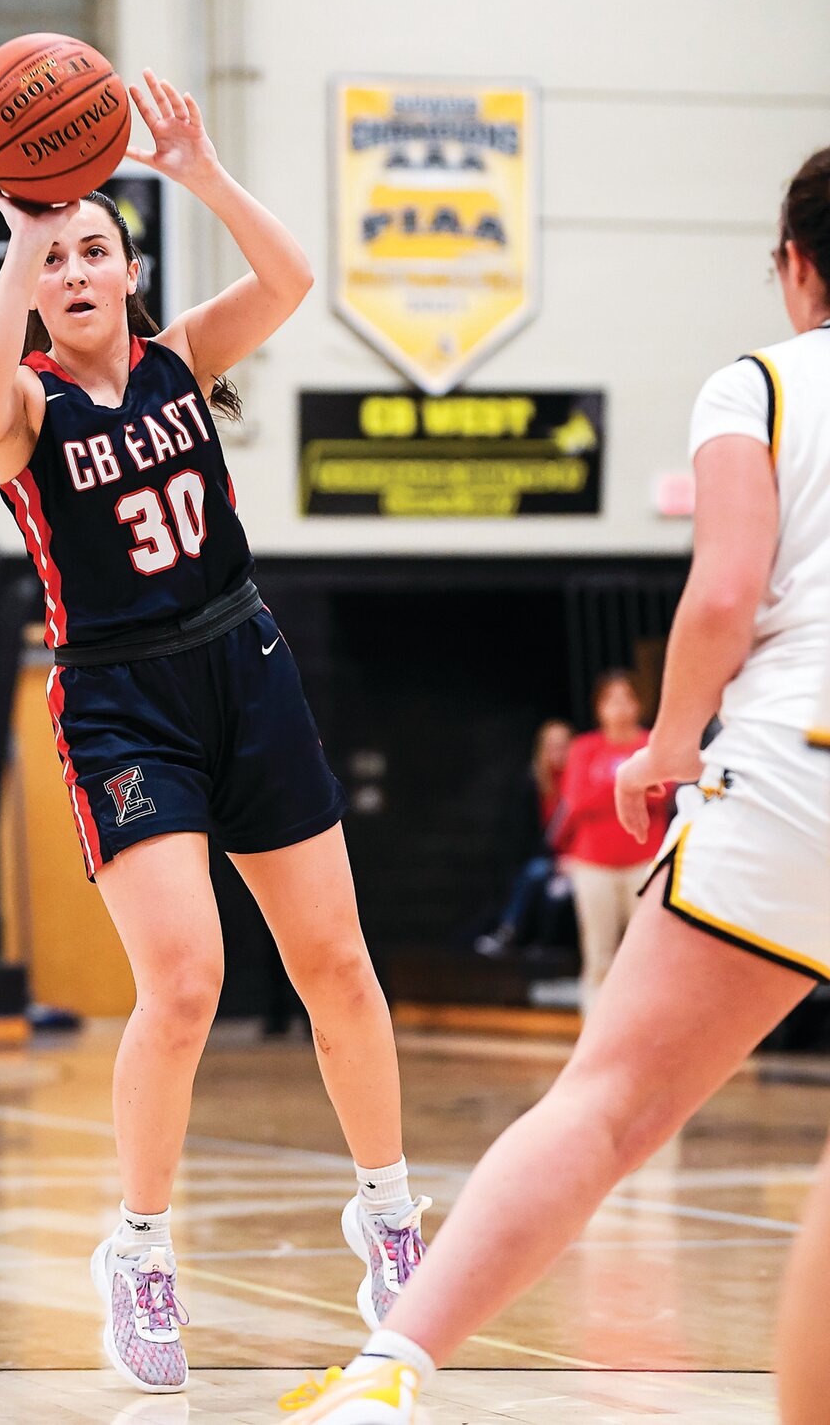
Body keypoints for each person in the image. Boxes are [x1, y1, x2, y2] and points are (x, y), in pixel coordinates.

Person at [276, 148, 830, 1424]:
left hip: (796, 777)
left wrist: (669, 740)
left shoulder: (759, 384)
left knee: (605, 1108)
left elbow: (729, 594)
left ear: (797, 265)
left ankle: (386, 1379)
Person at [0, 71, 428, 1394]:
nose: (77, 266)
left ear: (130, 264)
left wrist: (203, 167)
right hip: (119, 702)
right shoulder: (30, 409)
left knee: (335, 960)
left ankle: (389, 1217)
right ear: (39, 284)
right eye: (59, 256)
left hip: (245, 663)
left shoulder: (177, 364)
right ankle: (141, 1247)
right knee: (188, 983)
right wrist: (19, 237)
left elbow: (291, 281)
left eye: (96, 245)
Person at [551, 672, 672, 1010]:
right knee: (599, 956)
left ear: (638, 703)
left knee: (648, 957)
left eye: (626, 698)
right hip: (593, 866)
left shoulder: (651, 744)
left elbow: (664, 793)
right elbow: (576, 800)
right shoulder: (584, 748)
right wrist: (630, 786)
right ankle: (593, 1038)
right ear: (599, 708)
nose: (619, 708)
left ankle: (647, 1034)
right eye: (611, 700)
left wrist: (612, 788)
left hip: (644, 862)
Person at [475, 719, 573, 958]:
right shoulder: (532, 783)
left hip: (581, 858)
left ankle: (539, 941)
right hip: (548, 858)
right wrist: (556, 859)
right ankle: (510, 931)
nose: (558, 753)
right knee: (536, 873)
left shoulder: (577, 782)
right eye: (552, 747)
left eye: (563, 746)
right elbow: (526, 835)